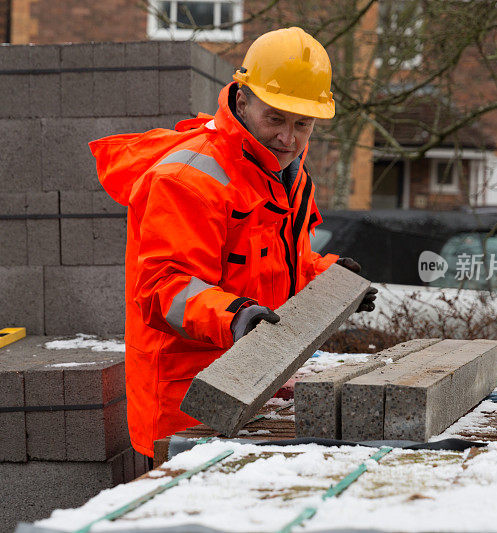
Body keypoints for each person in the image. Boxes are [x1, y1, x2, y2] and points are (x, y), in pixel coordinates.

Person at [89, 27, 377, 457]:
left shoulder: (290, 178)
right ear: (242, 101)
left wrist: (328, 277)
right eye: (275, 118)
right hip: (188, 401)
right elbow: (163, 288)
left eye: (303, 124)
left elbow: (280, 266)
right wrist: (237, 316)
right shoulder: (187, 178)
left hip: (256, 382)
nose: (289, 138)